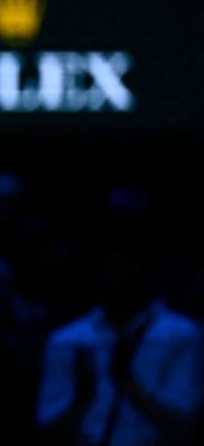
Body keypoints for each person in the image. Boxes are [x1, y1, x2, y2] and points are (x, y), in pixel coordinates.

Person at [34, 184, 204, 445]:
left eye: (128, 253)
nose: (117, 265)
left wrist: (131, 386)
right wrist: (83, 397)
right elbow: (48, 433)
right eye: (108, 254)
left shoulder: (182, 335)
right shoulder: (66, 341)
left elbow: (184, 431)